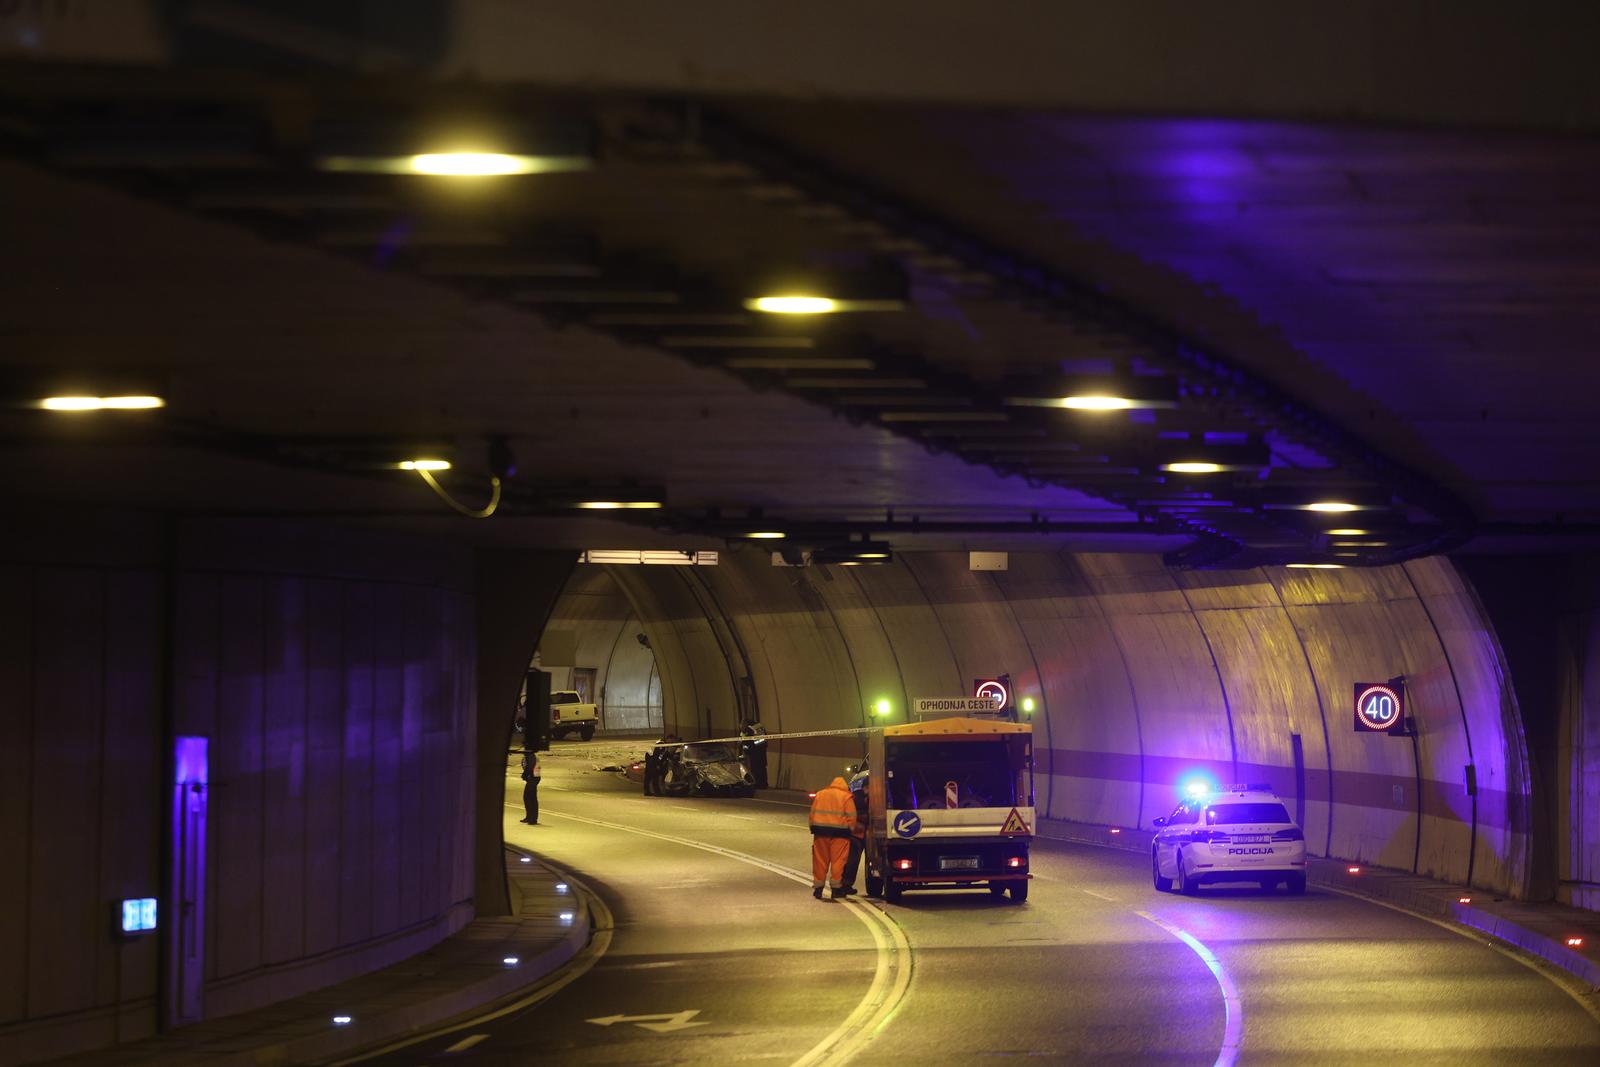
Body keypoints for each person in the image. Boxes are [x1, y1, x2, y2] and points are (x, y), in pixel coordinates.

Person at [808, 775, 856, 899]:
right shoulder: (846, 796)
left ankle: (818, 887)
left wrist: (812, 827)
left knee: (820, 860)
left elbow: (812, 814)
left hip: (820, 832)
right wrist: (850, 830)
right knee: (838, 861)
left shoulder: (820, 794)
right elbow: (852, 816)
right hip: (840, 834)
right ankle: (836, 888)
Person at [840, 772, 868, 891]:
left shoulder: (855, 796)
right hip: (856, 833)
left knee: (852, 860)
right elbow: (853, 814)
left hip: (859, 833)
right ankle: (846, 884)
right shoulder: (857, 797)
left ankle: (845, 883)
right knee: (852, 859)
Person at [740, 722, 769, 789]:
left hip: (755, 752)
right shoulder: (758, 726)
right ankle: (764, 784)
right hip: (761, 751)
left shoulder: (748, 730)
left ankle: (758, 784)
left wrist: (745, 750)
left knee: (756, 769)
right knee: (762, 768)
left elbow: (747, 742)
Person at [520, 750, 540, 824]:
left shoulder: (530, 756)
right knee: (528, 797)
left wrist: (525, 774)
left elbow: (530, 766)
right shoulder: (530, 755)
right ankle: (529, 817)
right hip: (533, 777)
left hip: (533, 778)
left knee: (530, 797)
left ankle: (532, 818)